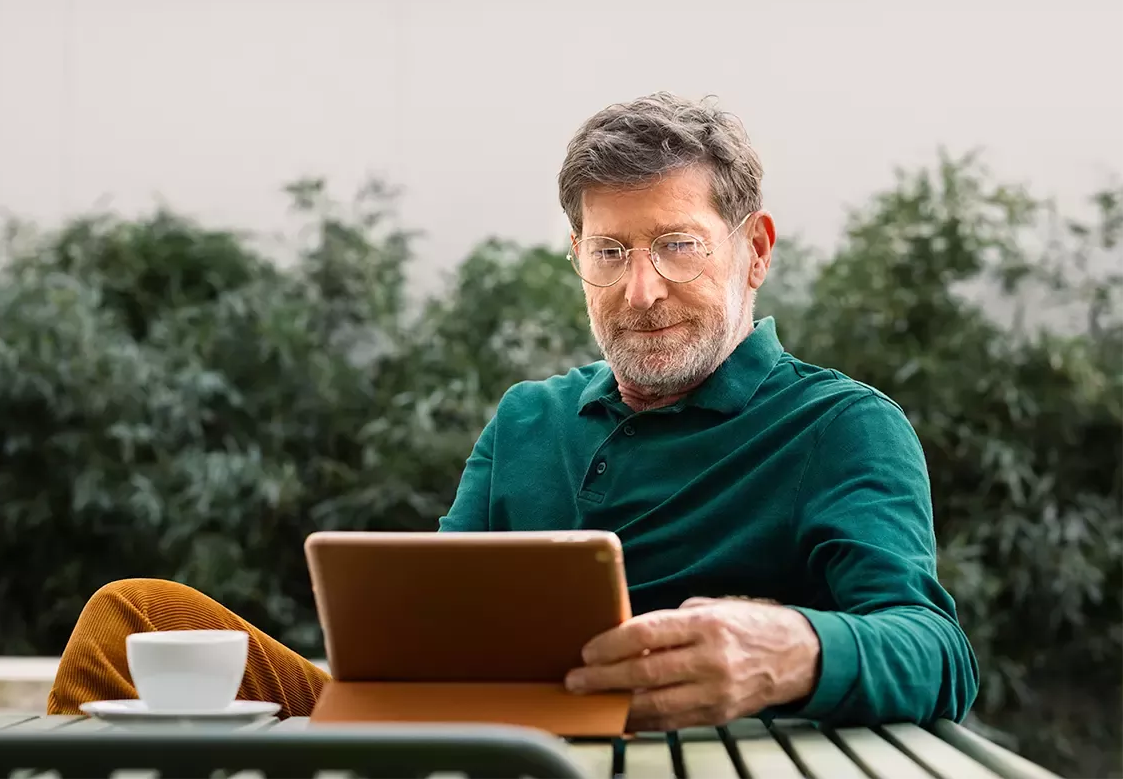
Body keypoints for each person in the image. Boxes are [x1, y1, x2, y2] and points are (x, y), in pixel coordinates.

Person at [47, 91, 979, 731]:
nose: (642, 290)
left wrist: (796, 649)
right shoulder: (528, 418)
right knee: (135, 612)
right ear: (576, 253)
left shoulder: (842, 426)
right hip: (465, 738)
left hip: (665, 757)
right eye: (610, 252)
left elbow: (940, 653)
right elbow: (425, 635)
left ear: (755, 249)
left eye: (678, 246)